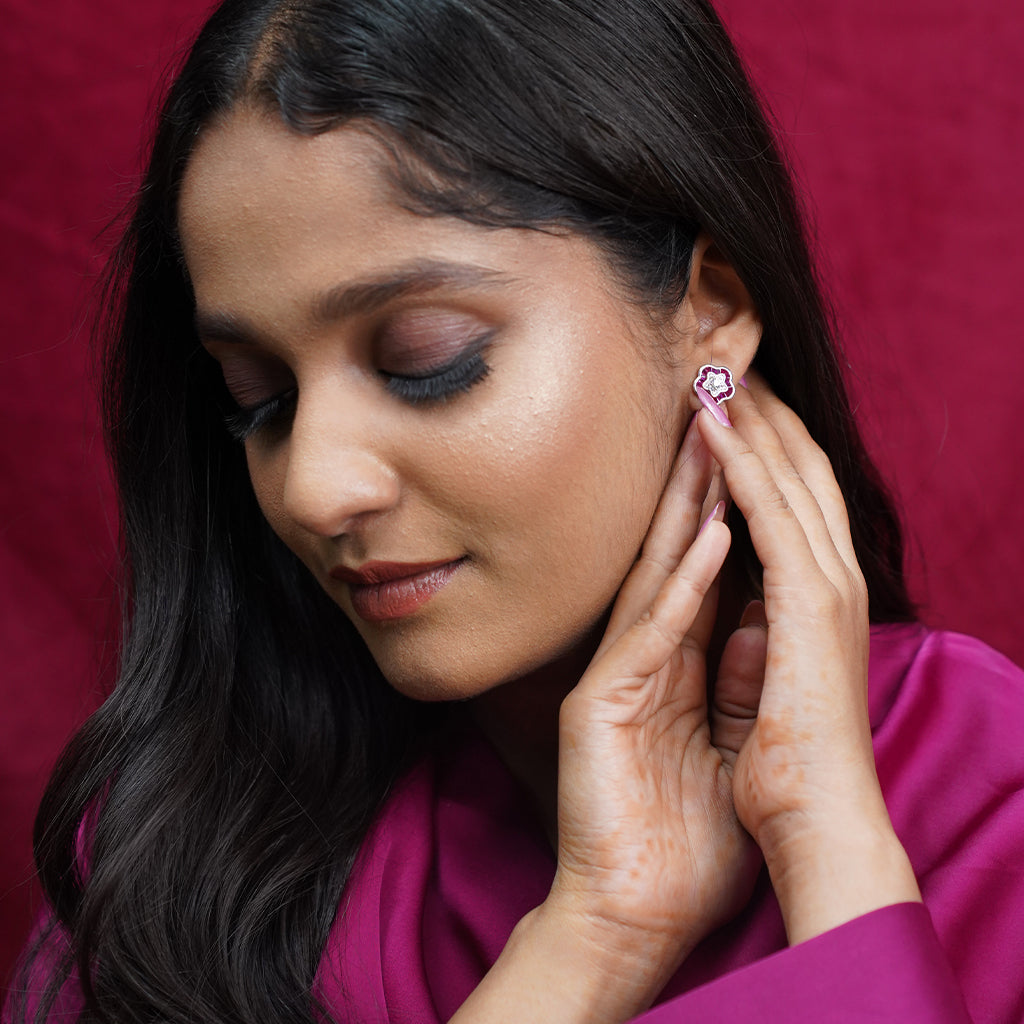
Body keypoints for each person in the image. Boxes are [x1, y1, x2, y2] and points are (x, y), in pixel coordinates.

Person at [7, 0, 1024, 1021]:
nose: (313, 488)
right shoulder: (172, 863)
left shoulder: (992, 800)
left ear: (706, 309)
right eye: (259, 399)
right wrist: (590, 938)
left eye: (427, 362)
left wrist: (832, 856)